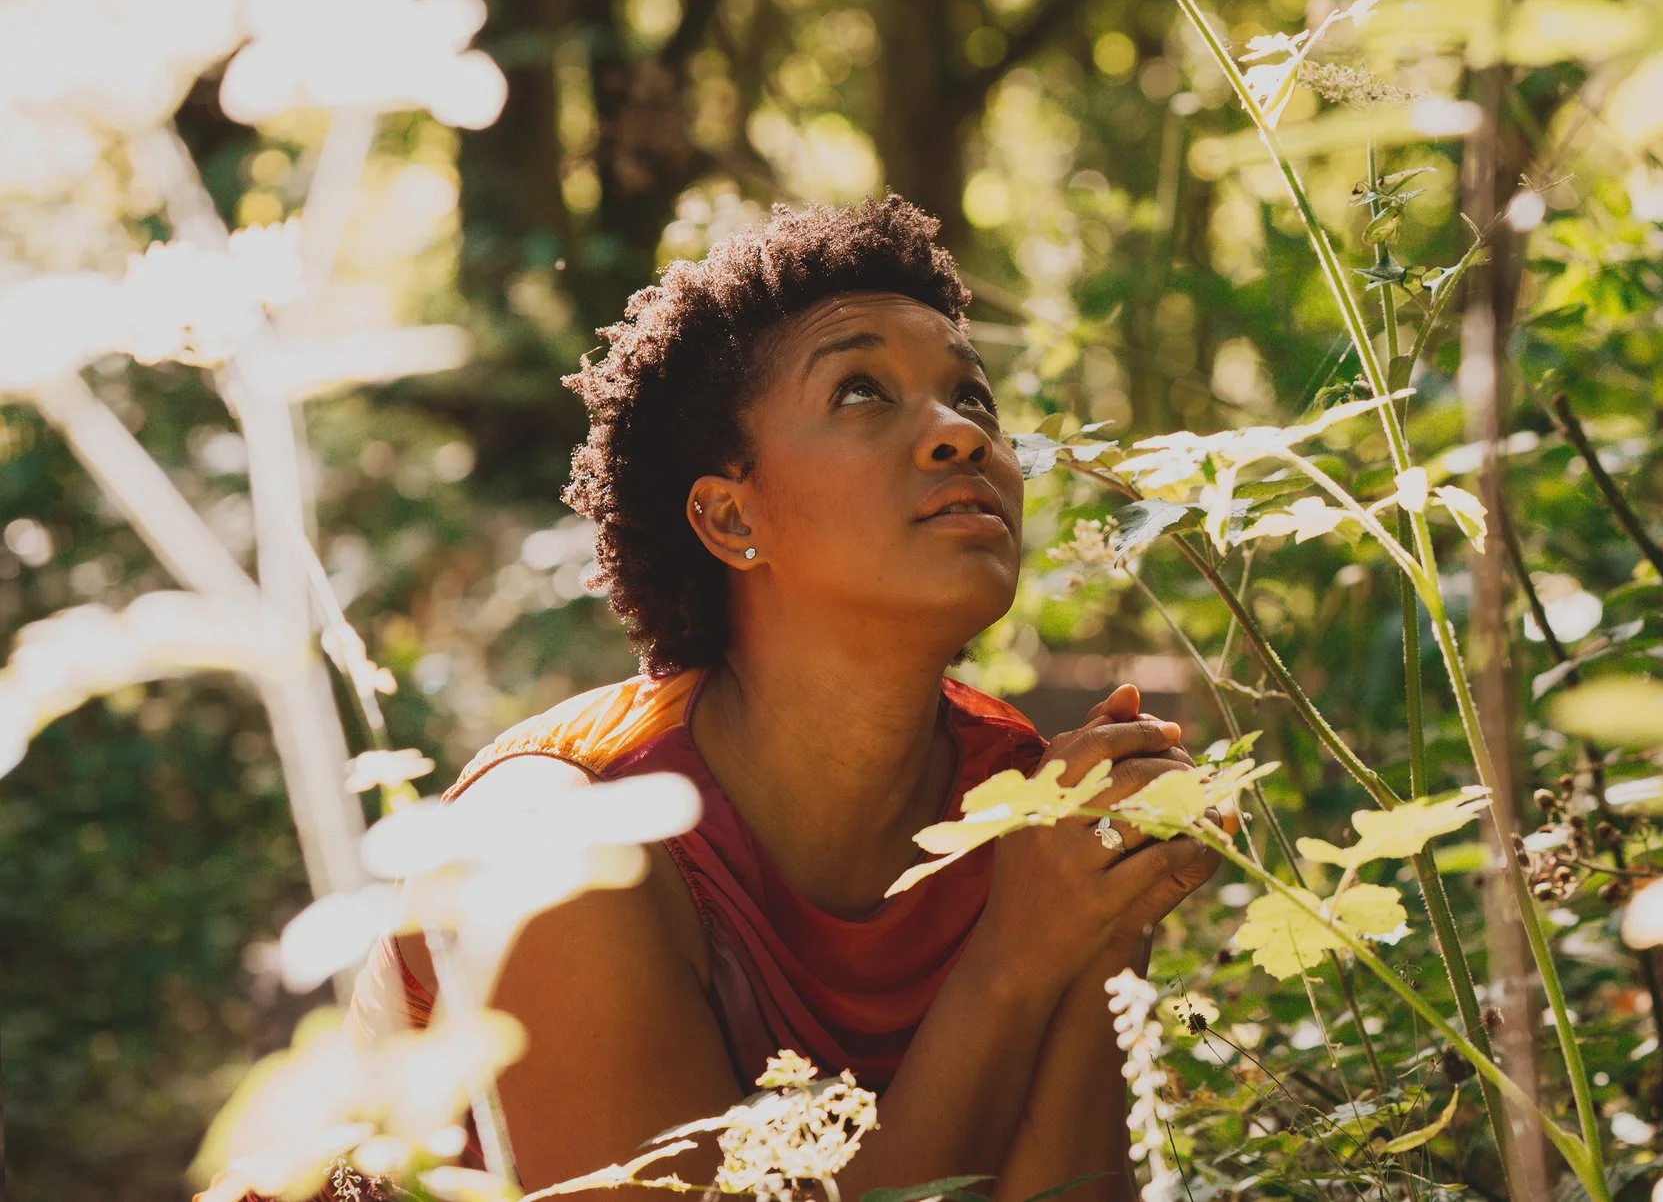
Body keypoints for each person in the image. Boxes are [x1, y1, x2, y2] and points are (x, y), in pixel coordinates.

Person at [349, 197, 1216, 1199]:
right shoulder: (566, 842)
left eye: (972, 395)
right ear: (731, 518)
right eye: (862, 391)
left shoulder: (1016, 802)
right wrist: (1015, 955)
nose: (960, 435)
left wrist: (1103, 922)